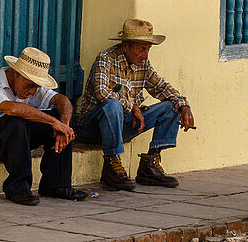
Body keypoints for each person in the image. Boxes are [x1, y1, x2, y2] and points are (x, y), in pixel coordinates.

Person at [74, 19, 195, 191]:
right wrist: (132, 106)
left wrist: (185, 106)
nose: (145, 55)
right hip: (92, 129)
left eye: (147, 49)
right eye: (141, 49)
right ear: (125, 46)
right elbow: (102, 92)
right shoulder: (105, 59)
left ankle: (150, 163)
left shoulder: (143, 65)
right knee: (112, 105)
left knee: (172, 106)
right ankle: (112, 163)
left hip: (122, 125)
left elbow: (162, 87)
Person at [0, 47, 89, 204]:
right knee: (17, 119)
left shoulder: (32, 87)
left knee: (61, 117)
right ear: (16, 73)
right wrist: (54, 123)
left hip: (19, 143)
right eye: (29, 85)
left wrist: (64, 126)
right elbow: (12, 108)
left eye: (36, 87)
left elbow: (63, 101)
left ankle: (56, 185)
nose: (33, 92)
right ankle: (18, 188)